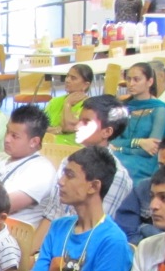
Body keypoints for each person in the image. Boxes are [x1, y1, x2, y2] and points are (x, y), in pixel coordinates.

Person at [5, 146, 133, 271]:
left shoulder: (112, 241)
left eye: (70, 176)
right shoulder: (59, 227)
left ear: (94, 186)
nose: (61, 182)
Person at [34, 95, 135, 251]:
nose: (77, 126)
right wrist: (31, 255)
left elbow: (94, 229)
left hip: (81, 254)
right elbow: (50, 215)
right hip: (51, 246)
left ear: (107, 131)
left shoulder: (117, 175)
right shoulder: (68, 161)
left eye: (86, 122)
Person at [0, 105, 56, 228]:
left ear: (34, 141)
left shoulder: (42, 170)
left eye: (15, 136)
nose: (6, 139)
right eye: (7, 131)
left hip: (9, 237)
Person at [112, 62, 165, 183]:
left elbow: (151, 149)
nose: (131, 84)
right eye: (128, 79)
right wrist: (139, 142)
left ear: (149, 82)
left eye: (136, 79)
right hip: (119, 155)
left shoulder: (159, 109)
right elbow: (112, 140)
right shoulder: (123, 107)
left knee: (123, 168)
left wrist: (120, 149)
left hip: (145, 161)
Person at [45, 64, 93, 145]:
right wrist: (60, 129)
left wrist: (67, 103)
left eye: (73, 78)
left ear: (85, 85)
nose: (67, 80)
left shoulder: (89, 106)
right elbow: (39, 127)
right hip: (47, 144)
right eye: (67, 76)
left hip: (72, 148)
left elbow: (68, 127)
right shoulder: (55, 101)